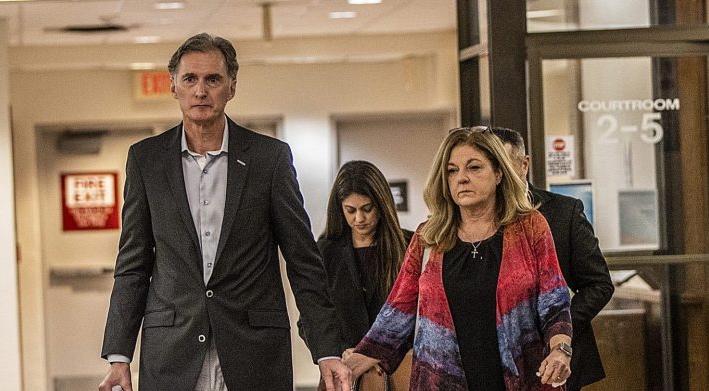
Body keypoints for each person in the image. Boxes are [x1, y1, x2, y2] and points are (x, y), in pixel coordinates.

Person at [98, 33, 350, 391]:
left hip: (255, 351)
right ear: (173, 86)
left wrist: (327, 350)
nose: (201, 90)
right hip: (173, 352)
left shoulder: (270, 159)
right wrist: (119, 356)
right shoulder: (146, 160)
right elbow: (133, 264)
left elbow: (303, 260)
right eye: (190, 79)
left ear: (231, 86)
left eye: (212, 79)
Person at [343, 127, 573, 391]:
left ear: (498, 173)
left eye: (474, 168)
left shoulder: (529, 227)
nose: (461, 178)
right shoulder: (429, 237)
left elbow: (554, 303)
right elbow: (399, 309)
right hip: (442, 381)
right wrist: (355, 361)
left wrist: (560, 349)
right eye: (452, 170)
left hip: (521, 379)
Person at [493, 126, 614, 391]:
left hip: (557, 358)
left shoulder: (563, 212)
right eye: (491, 165)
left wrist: (557, 326)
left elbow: (599, 284)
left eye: (504, 164)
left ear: (523, 165)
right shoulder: (475, 221)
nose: (498, 175)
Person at [299, 160, 414, 390]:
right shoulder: (325, 252)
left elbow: (418, 315)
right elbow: (310, 319)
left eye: (367, 208)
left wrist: (377, 352)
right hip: (344, 373)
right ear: (339, 208)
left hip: (401, 372)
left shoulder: (409, 246)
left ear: (382, 205)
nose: (359, 219)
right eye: (350, 210)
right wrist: (338, 349)